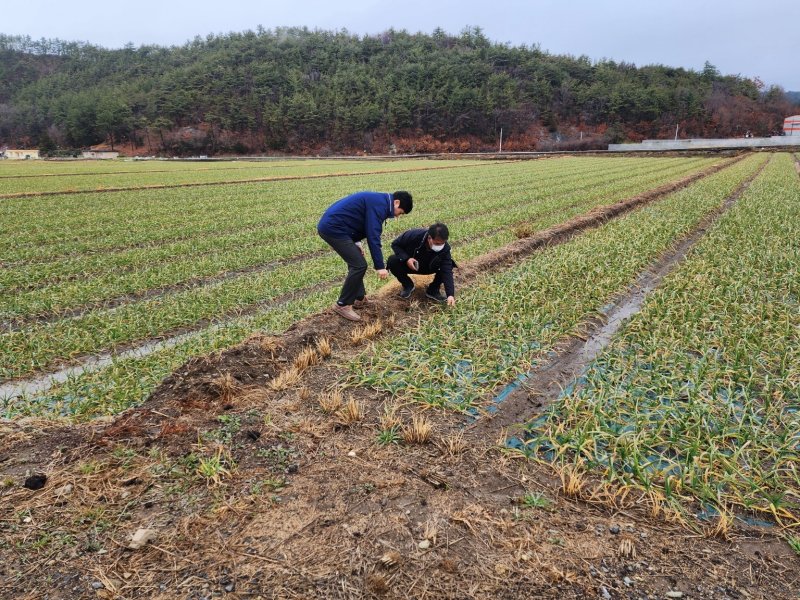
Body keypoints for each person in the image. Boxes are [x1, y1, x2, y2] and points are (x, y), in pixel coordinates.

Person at [317, 190, 413, 321]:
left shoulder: (380, 201)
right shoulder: (380, 205)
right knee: (359, 265)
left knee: (357, 261)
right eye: (400, 212)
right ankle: (343, 304)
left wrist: (356, 242)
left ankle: (359, 298)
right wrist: (379, 266)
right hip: (334, 229)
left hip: (340, 228)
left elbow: (357, 220)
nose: (397, 216)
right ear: (396, 203)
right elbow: (373, 236)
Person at [386, 222, 456, 307]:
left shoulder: (445, 249)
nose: (440, 246)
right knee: (392, 260)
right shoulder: (414, 235)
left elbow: (447, 271)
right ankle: (408, 285)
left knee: (449, 265)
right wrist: (407, 259)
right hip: (411, 265)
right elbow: (395, 244)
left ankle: (433, 290)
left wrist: (450, 295)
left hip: (430, 267)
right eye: (437, 243)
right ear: (429, 238)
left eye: (443, 243)